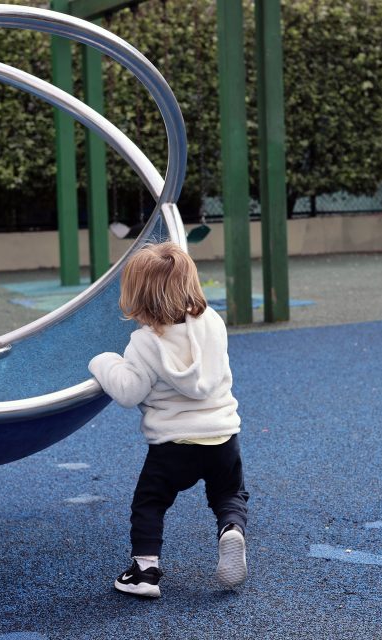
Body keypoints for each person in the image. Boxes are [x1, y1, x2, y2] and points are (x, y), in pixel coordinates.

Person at [88, 242, 248, 598]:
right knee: (228, 493)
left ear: (138, 298)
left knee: (150, 503)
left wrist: (103, 362)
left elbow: (128, 392)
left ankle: (145, 573)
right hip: (222, 435)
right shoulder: (212, 324)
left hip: (172, 446)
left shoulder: (143, 344)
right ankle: (231, 529)